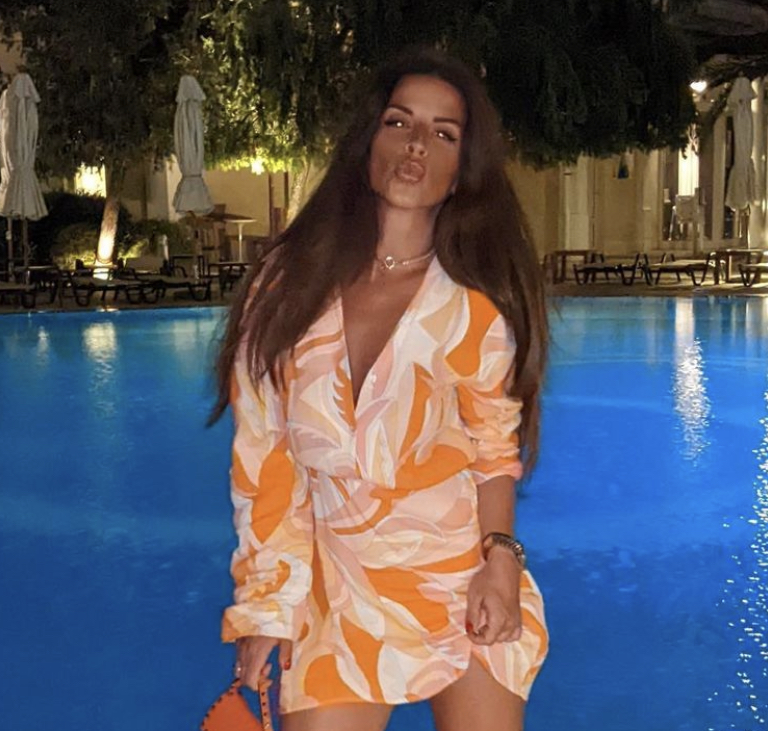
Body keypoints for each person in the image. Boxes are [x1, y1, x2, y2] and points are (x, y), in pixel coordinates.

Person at [209, 47, 549, 731]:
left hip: (458, 581)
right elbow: (265, 460)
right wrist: (267, 608)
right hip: (338, 594)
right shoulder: (286, 288)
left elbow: (493, 452)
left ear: (461, 171)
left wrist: (500, 562)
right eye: (399, 122)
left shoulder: (472, 309)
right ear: (368, 140)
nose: (417, 142)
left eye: (443, 133)